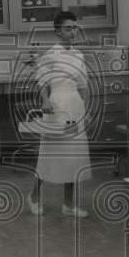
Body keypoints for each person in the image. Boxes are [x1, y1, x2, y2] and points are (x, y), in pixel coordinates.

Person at [28, 11, 92, 218]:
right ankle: (34, 196)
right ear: (57, 31)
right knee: (50, 154)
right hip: (57, 106)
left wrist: (87, 110)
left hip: (75, 105)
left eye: (74, 28)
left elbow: (83, 86)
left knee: (73, 156)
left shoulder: (78, 55)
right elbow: (43, 82)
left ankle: (69, 204)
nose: (72, 31)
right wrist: (45, 101)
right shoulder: (50, 55)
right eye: (68, 28)